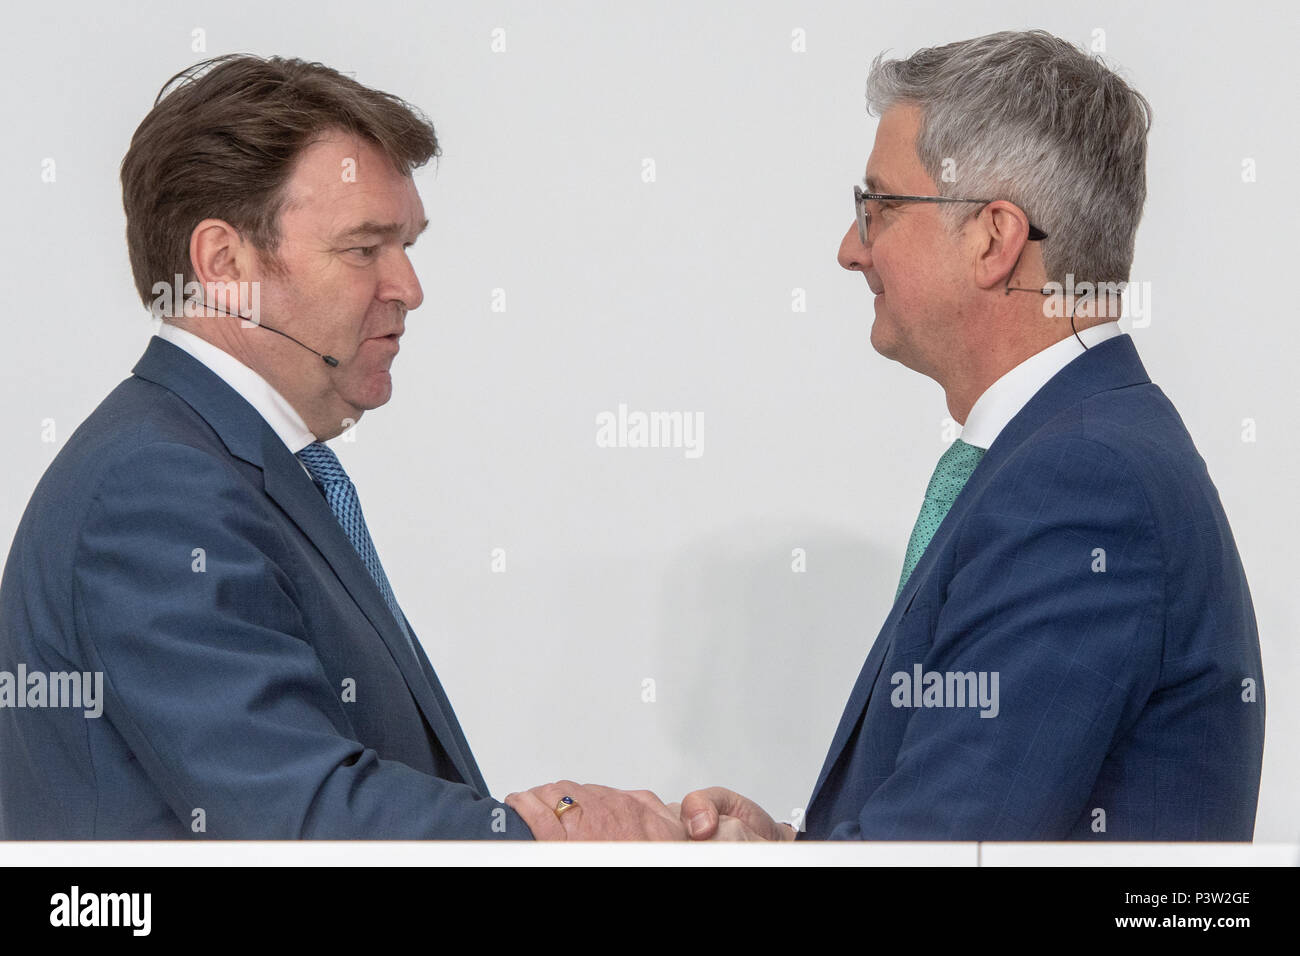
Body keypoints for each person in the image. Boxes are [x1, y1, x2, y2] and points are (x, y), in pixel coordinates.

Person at [0, 54, 686, 840]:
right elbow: (304, 820)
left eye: (408, 244)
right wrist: (541, 834)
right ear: (224, 265)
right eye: (365, 248)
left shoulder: (228, 464)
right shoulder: (154, 490)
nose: (408, 286)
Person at [672, 30, 1266, 841]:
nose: (851, 249)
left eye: (876, 207)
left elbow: (948, 852)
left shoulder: (1085, 485)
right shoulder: (1066, 455)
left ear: (994, 238)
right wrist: (788, 852)